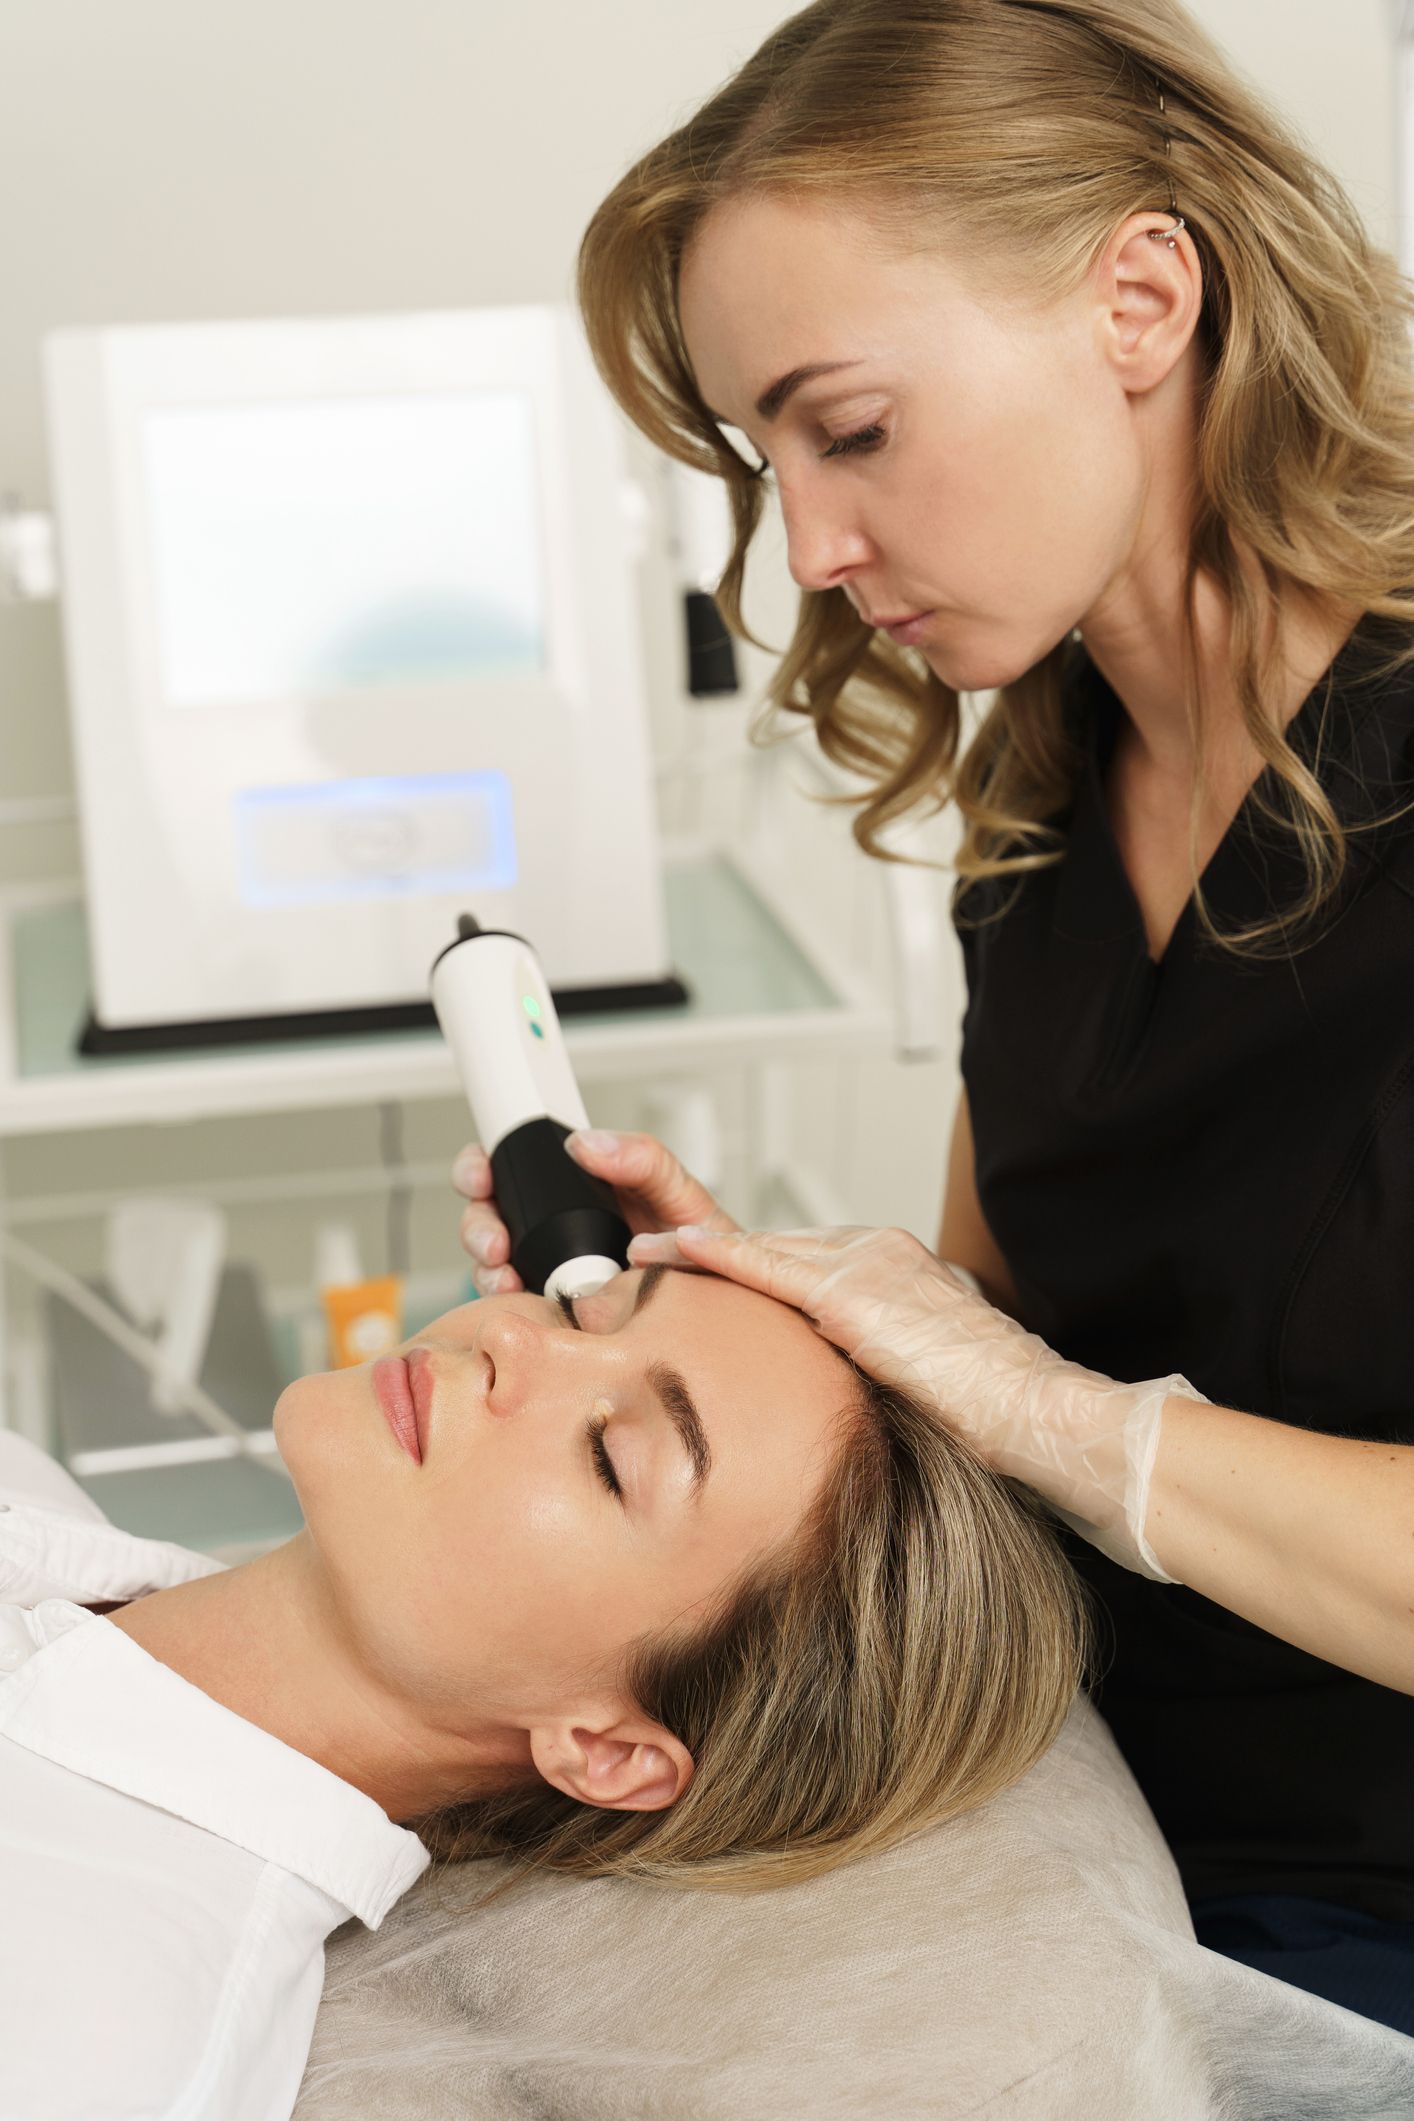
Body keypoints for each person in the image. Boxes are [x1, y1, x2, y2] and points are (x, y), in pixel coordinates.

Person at [457, 0, 1414, 2039]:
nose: (804, 545)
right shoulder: (1033, 813)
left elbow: (1044, 1414)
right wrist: (735, 1314)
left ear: (1137, 297)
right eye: (762, 456)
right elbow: (992, 1394)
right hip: (1109, 1815)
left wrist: (1058, 1419)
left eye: (852, 428)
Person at [0, 1265, 1086, 2121]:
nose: (509, 1336)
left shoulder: (106, 2019)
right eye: (586, 1309)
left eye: (613, 1455)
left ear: (607, 1749)